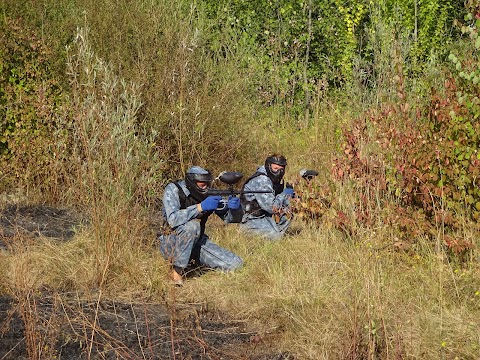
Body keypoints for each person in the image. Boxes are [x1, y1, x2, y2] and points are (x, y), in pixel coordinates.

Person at [158, 166, 244, 286]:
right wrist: (200, 207)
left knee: (235, 264)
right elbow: (173, 219)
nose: (206, 188)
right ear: (192, 183)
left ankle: (193, 262)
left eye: (207, 184)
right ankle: (176, 273)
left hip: (196, 241)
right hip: (171, 242)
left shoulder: (208, 193)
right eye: (202, 184)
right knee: (192, 226)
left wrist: (235, 209)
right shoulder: (174, 189)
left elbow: (229, 219)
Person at [240, 154, 295, 240]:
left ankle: (277, 231)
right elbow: (271, 208)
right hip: (251, 218)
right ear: (268, 166)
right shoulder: (262, 180)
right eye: (275, 169)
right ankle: (247, 232)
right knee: (276, 238)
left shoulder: (270, 178)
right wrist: (285, 194)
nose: (279, 172)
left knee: (289, 208)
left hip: (263, 216)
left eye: (281, 169)